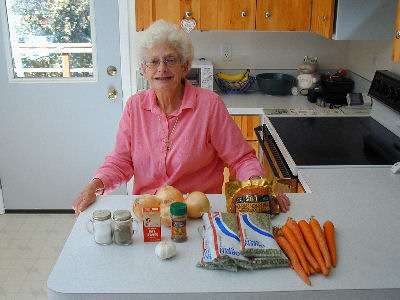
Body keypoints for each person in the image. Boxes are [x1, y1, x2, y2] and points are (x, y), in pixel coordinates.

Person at [72, 20, 290, 216]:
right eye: (153, 62)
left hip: (198, 214)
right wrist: (96, 184)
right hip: (149, 214)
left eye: (170, 60)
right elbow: (120, 162)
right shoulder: (134, 107)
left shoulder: (209, 105)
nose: (162, 69)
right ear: (143, 70)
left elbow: (241, 159)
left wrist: (259, 186)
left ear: (185, 66)